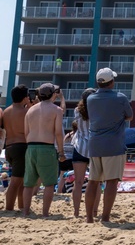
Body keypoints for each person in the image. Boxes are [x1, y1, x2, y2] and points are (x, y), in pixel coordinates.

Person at [84, 68, 133, 223]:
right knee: (111, 181)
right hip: (113, 144)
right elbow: (129, 116)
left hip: (95, 144)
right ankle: (105, 216)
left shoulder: (90, 98)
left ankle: (89, 217)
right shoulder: (120, 97)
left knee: (93, 181)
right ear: (111, 81)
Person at [21, 83, 66, 217]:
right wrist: (61, 152)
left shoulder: (30, 110)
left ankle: (25, 211)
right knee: (49, 183)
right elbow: (58, 132)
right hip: (46, 147)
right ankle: (45, 213)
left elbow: (26, 132)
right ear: (53, 94)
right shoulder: (56, 110)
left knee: (28, 183)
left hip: (31, 147)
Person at [2, 85, 31, 212]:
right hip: (21, 147)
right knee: (16, 181)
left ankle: (21, 206)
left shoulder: (6, 111)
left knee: (21, 180)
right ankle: (9, 208)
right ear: (25, 98)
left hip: (9, 147)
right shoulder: (26, 112)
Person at [69, 88, 96, 218]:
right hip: (94, 147)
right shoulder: (98, 111)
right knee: (95, 182)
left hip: (79, 146)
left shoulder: (77, 110)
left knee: (78, 182)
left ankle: (76, 212)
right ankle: (93, 211)